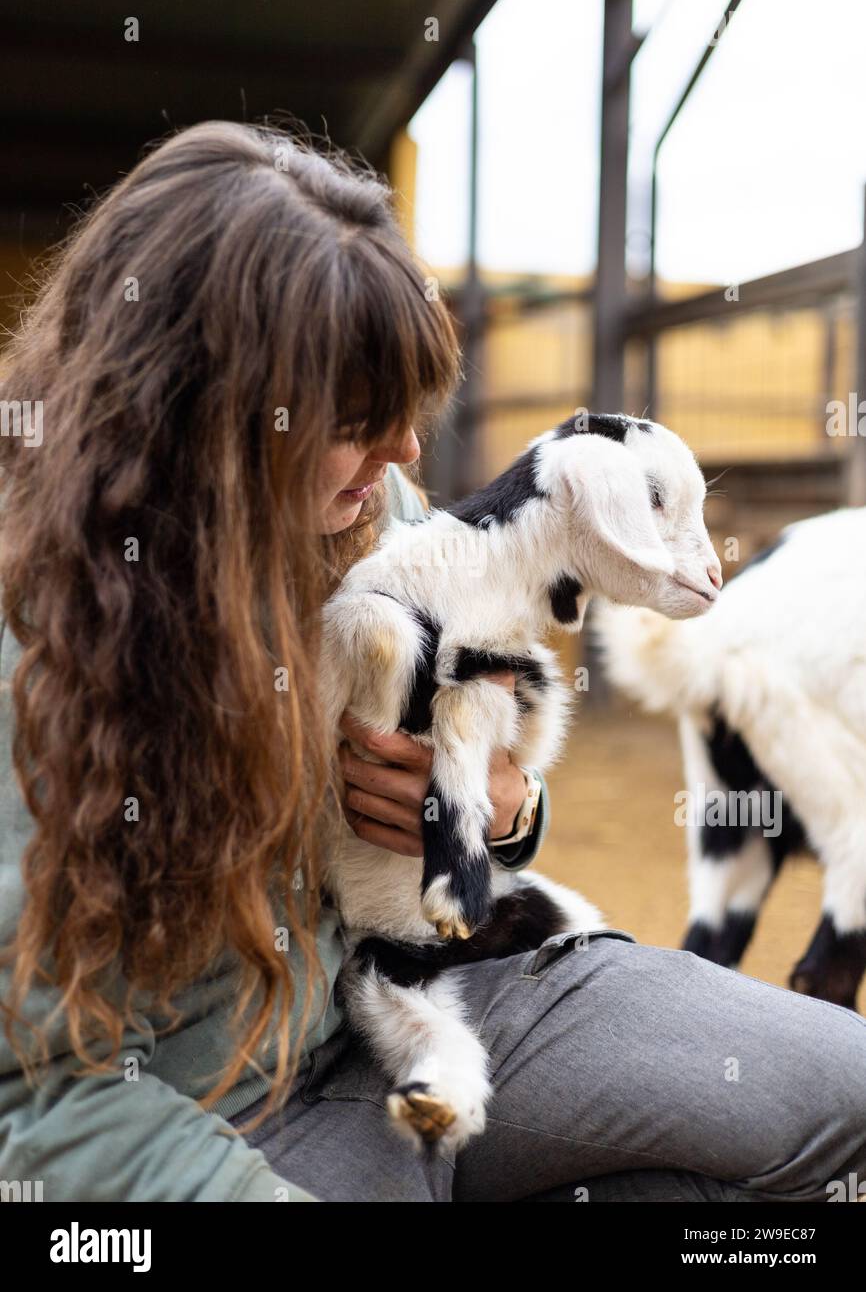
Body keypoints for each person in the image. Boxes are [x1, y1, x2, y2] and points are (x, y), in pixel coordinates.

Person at [0, 121, 864, 1204]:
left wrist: (502, 806)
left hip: (431, 991)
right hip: (215, 1113)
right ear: (205, 418)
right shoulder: (35, 647)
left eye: (406, 412)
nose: (408, 453)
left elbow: (497, 781)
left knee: (841, 1095)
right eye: (358, 419)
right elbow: (34, 1102)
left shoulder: (377, 519)